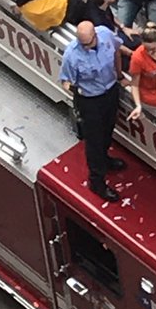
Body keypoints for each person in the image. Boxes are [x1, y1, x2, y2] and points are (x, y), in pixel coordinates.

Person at [59, 22, 128, 203]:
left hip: (110, 90)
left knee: (108, 129)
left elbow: (116, 52)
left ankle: (105, 159)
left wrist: (120, 76)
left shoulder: (105, 34)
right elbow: (65, 80)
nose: (87, 47)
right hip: (90, 100)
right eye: (83, 44)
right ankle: (96, 181)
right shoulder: (72, 55)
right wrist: (76, 91)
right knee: (94, 141)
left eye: (89, 43)